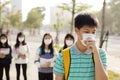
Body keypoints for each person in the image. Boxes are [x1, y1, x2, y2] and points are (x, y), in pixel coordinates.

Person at [53, 13, 108, 80]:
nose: (90, 35)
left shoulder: (101, 53)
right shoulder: (63, 55)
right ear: (77, 31)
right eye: (86, 32)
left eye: (93, 32)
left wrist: (96, 54)